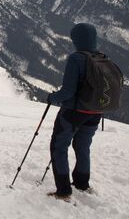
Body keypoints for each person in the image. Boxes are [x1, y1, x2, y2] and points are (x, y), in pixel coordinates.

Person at [47, 23, 104, 200]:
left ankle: (63, 191)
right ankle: (81, 183)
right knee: (83, 146)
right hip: (95, 112)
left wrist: (52, 98)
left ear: (77, 39)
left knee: (59, 147)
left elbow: (68, 92)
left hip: (74, 112)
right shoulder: (102, 58)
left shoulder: (76, 59)